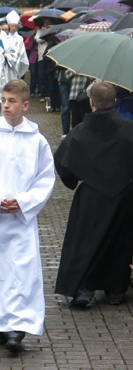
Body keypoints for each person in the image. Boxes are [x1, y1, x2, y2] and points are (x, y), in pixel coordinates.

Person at [0, 80, 55, 353]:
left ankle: (18, 327)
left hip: (22, 220)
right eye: (3, 100)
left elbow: (45, 179)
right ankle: (0, 322)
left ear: (25, 105)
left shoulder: (37, 141)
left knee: (22, 272)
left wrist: (22, 202)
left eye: (12, 101)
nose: (5, 106)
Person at [54, 82, 133, 308]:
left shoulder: (79, 132)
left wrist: (76, 180)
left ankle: (84, 289)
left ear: (91, 102)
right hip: (123, 195)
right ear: (115, 101)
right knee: (120, 243)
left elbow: (63, 165)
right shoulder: (129, 129)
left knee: (85, 242)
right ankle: (115, 290)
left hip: (91, 196)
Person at [2, 11, 29, 83]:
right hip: (7, 63)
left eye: (15, 26)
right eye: (12, 26)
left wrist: (16, 59)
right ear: (9, 26)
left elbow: (21, 51)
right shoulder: (5, 37)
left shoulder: (20, 38)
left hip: (17, 62)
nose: (13, 28)